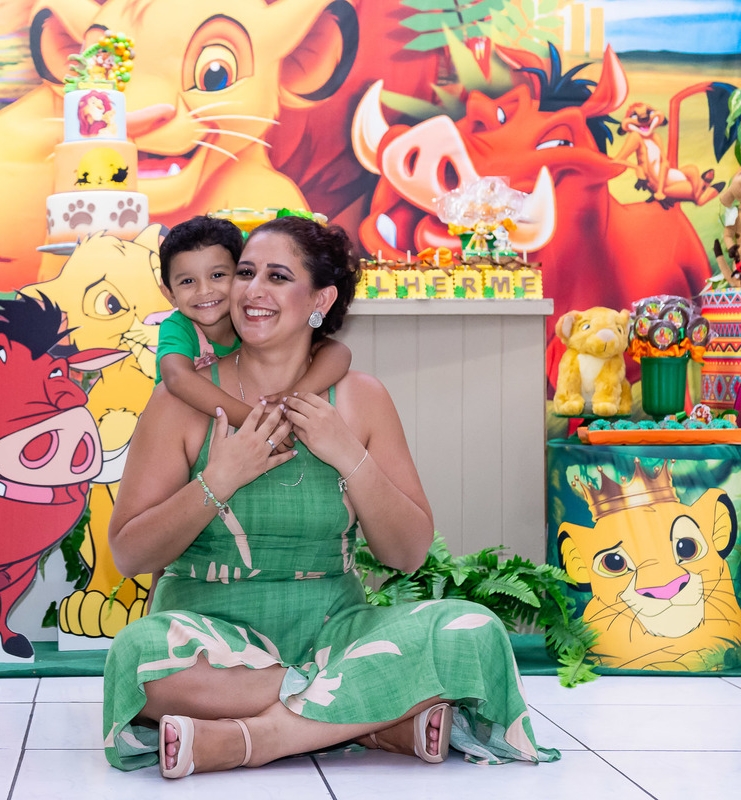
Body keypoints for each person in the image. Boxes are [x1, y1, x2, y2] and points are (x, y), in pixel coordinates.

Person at [103, 216, 558, 777]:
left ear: (320, 298)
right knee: (137, 659)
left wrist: (350, 455)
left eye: (277, 276)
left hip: (335, 631)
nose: (252, 291)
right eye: (246, 273)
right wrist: (217, 480)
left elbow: (407, 554)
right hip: (209, 637)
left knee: (472, 633)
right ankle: (375, 718)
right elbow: (129, 554)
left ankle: (257, 739)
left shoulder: (360, 399)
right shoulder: (180, 403)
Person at [155, 215, 352, 433]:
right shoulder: (178, 327)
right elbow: (177, 377)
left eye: (218, 275)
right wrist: (255, 422)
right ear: (168, 293)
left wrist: (293, 397)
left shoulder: (247, 322)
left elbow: (337, 352)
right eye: (187, 281)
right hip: (181, 424)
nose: (204, 291)